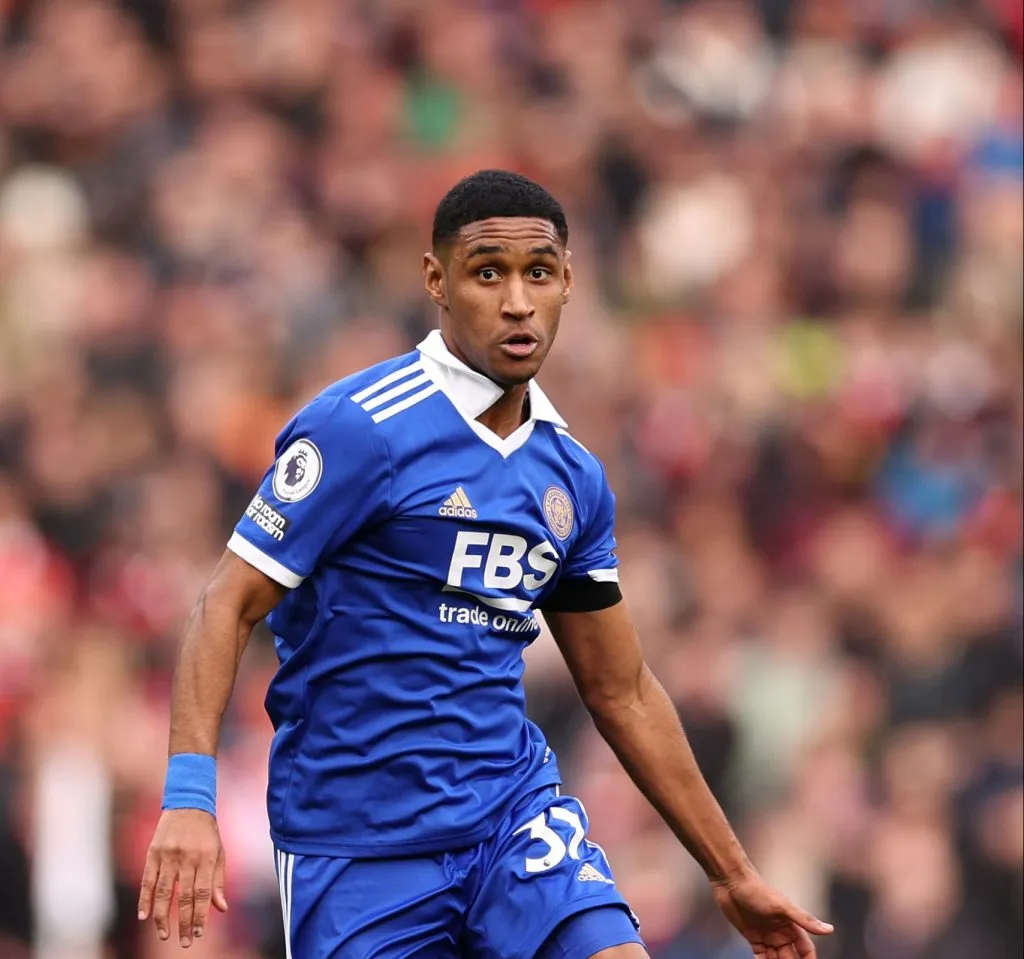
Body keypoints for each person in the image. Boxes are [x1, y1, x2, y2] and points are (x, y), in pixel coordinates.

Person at [137, 170, 834, 959]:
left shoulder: (571, 476)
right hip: (358, 842)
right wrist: (190, 797)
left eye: (538, 272)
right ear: (437, 280)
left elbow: (622, 689)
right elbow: (224, 603)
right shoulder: (360, 429)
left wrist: (731, 871)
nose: (515, 301)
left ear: (568, 282)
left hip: (510, 817)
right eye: (486, 272)